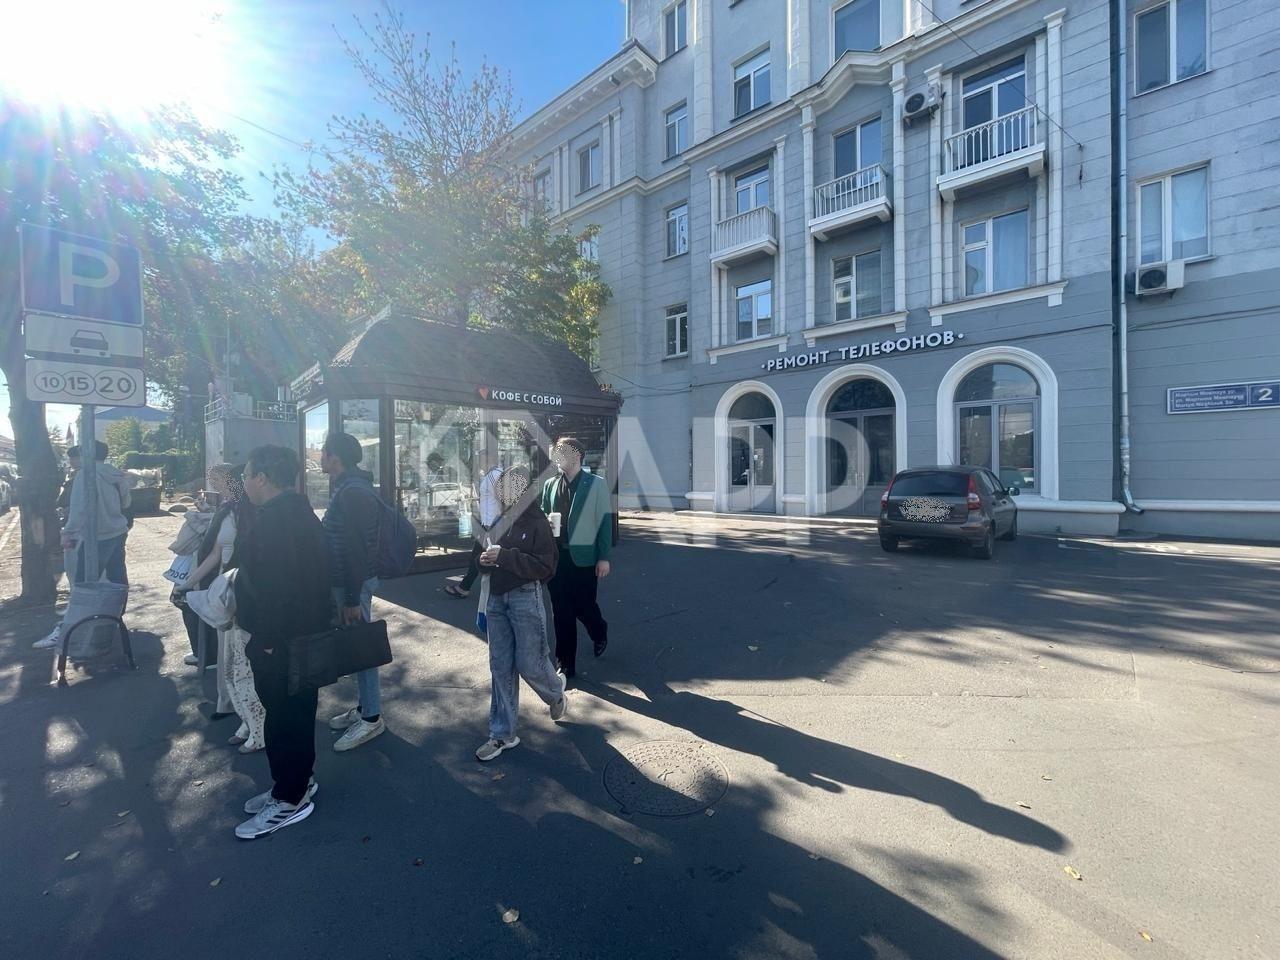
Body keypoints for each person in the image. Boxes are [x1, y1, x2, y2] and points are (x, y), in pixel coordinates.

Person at [233, 445, 330, 840]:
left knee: (284, 717)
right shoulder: (301, 513)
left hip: (280, 640)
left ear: (262, 478)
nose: (243, 482)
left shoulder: (275, 521)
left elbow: (277, 587)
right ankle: (296, 783)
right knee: (296, 713)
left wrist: (268, 639)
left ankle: (290, 798)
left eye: (246, 475)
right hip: (301, 637)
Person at [475, 466, 568, 761]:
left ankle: (555, 691)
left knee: (529, 663)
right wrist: (483, 561)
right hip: (496, 599)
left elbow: (546, 567)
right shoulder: (498, 521)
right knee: (500, 666)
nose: (505, 493)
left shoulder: (538, 522)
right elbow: (481, 558)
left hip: (525, 597)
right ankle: (502, 734)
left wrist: (505, 557)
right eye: (502, 488)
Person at [177, 464, 266, 751]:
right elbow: (215, 553)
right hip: (225, 591)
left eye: (217, 479)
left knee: (242, 662)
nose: (213, 484)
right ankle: (240, 712)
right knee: (230, 659)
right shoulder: (228, 509)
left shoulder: (248, 511)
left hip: (242, 591)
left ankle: (254, 722)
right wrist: (188, 584)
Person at [319, 432, 387, 752]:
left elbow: (357, 549)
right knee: (358, 646)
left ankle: (371, 718)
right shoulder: (348, 487)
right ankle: (364, 708)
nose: (320, 457)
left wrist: (350, 597)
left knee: (362, 647)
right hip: (349, 583)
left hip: (352, 584)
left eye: (323, 452)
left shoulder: (353, 491)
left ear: (335, 457)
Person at [33, 442, 131, 650]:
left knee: (82, 585)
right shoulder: (116, 474)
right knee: (117, 578)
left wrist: (67, 533)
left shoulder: (85, 475)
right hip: (118, 531)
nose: (74, 459)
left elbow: (79, 510)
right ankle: (114, 617)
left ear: (87, 454)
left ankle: (68, 629)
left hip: (96, 536)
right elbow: (126, 503)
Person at [540, 437, 612, 683]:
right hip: (556, 557)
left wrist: (604, 557)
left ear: (577, 455)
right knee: (561, 610)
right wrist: (545, 521)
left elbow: (604, 522)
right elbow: (543, 512)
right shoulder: (550, 484)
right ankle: (565, 664)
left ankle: (599, 629)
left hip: (584, 558)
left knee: (584, 606)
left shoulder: (596, 484)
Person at [445, 454, 502, 599]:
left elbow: (503, 498)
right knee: (481, 557)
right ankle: (466, 587)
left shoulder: (494, 475)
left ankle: (464, 588)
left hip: (491, 524)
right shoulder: (492, 475)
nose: (478, 465)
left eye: (480, 461)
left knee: (479, 557)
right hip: (489, 523)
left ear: (487, 460)